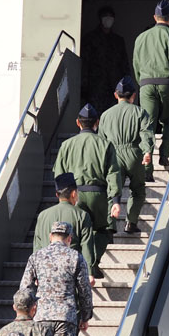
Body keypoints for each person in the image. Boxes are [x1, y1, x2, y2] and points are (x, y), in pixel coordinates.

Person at [52, 104, 121, 279]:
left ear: (78, 123)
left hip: (73, 196)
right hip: (99, 196)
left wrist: (62, 199)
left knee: (73, 236)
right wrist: (116, 200)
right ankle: (92, 262)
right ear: (97, 122)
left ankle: (75, 268)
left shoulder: (66, 145)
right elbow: (113, 173)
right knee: (104, 230)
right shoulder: (106, 144)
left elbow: (58, 174)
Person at [132, 0, 169, 172]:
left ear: (154, 17)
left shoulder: (141, 38)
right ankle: (164, 155)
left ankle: (147, 160)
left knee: (147, 124)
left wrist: (141, 82)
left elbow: (136, 64)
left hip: (146, 85)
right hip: (167, 84)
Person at [98, 76, 154, 234]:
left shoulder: (105, 115)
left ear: (116, 95)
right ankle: (131, 222)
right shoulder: (140, 112)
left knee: (112, 190)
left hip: (113, 155)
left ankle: (110, 225)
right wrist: (147, 151)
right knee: (137, 190)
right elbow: (146, 133)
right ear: (134, 95)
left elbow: (102, 142)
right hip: (134, 155)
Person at [33, 172, 96, 277]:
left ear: (57, 195)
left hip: (46, 274)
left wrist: (36, 274)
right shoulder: (82, 215)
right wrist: (89, 273)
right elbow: (86, 246)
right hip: (71, 274)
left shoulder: (42, 216)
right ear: (74, 193)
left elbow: (37, 247)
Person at [81, 5, 131, 112]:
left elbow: (124, 64)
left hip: (114, 86)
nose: (108, 19)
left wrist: (127, 83)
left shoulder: (118, 41)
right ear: (100, 18)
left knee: (113, 115)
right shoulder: (90, 39)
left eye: (110, 16)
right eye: (105, 16)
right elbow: (85, 63)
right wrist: (84, 86)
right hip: (95, 86)